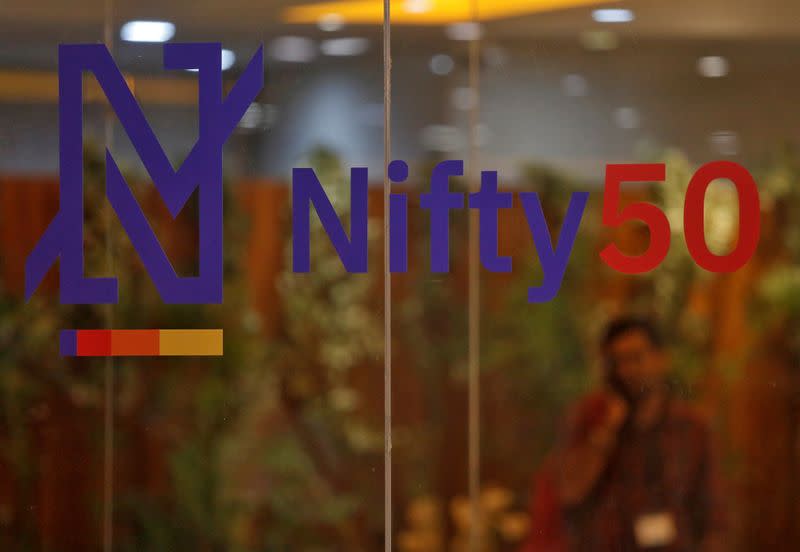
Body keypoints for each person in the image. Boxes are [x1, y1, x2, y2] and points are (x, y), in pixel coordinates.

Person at [521, 316, 725, 552]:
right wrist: (606, 431)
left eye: (636, 358)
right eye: (617, 362)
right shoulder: (589, 418)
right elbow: (568, 492)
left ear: (661, 359)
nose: (627, 370)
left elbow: (714, 515)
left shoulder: (691, 428)